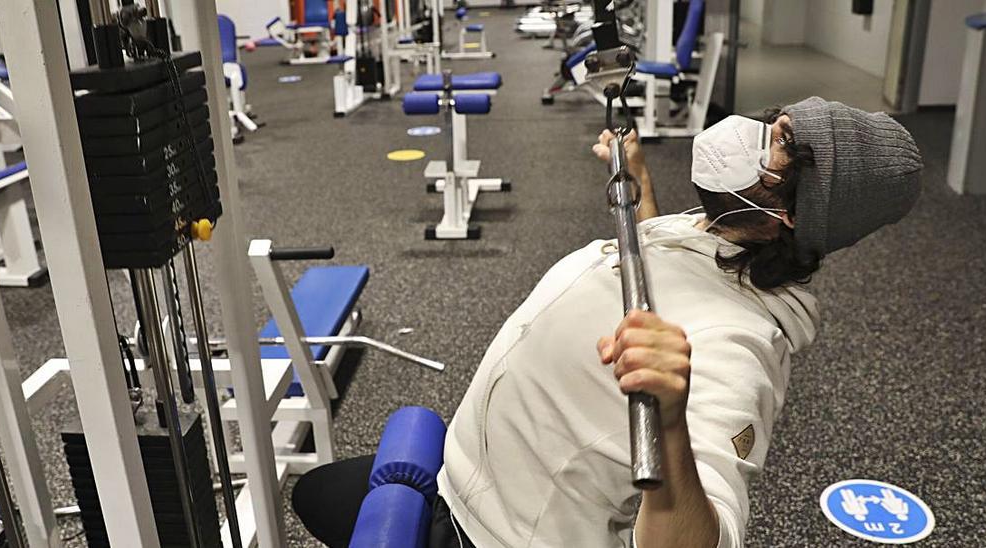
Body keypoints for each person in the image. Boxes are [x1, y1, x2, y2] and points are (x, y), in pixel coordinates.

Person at [291, 97, 923, 547]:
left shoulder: (739, 346)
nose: (757, 135)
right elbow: (658, 272)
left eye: (780, 145)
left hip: (493, 533)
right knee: (314, 493)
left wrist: (670, 421)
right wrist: (642, 190)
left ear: (789, 214)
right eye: (775, 124)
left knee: (312, 499)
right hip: (467, 470)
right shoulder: (716, 231)